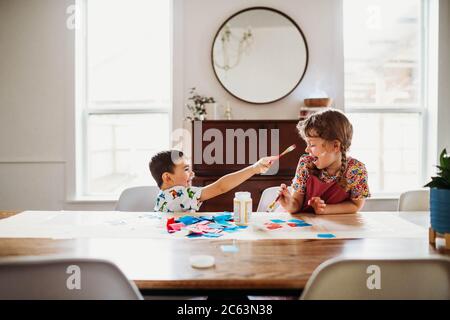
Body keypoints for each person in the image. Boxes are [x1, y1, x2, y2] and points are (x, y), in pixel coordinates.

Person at [278, 109, 370, 214]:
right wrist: (289, 205)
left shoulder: (356, 170)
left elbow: (356, 205)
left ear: (335, 146)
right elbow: (295, 205)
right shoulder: (305, 164)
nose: (306, 150)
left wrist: (325, 209)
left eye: (312, 144)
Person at [149, 150, 273, 212]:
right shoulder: (179, 194)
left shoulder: (162, 195)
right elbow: (221, 187)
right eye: (186, 169)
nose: (192, 174)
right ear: (167, 177)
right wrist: (254, 168)